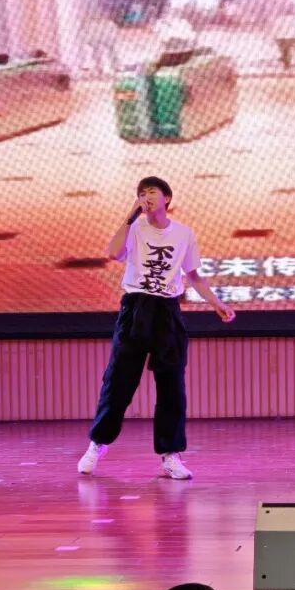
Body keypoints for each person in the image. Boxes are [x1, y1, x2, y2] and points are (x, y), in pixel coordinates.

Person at [78, 177, 236, 480]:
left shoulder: (183, 233)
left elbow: (193, 275)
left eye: (151, 192)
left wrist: (216, 303)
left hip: (167, 311)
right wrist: (130, 215)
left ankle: (170, 455)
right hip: (135, 308)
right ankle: (97, 444)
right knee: (118, 382)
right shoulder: (135, 228)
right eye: (141, 193)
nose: (146, 197)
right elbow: (113, 253)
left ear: (167, 198)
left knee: (171, 385)